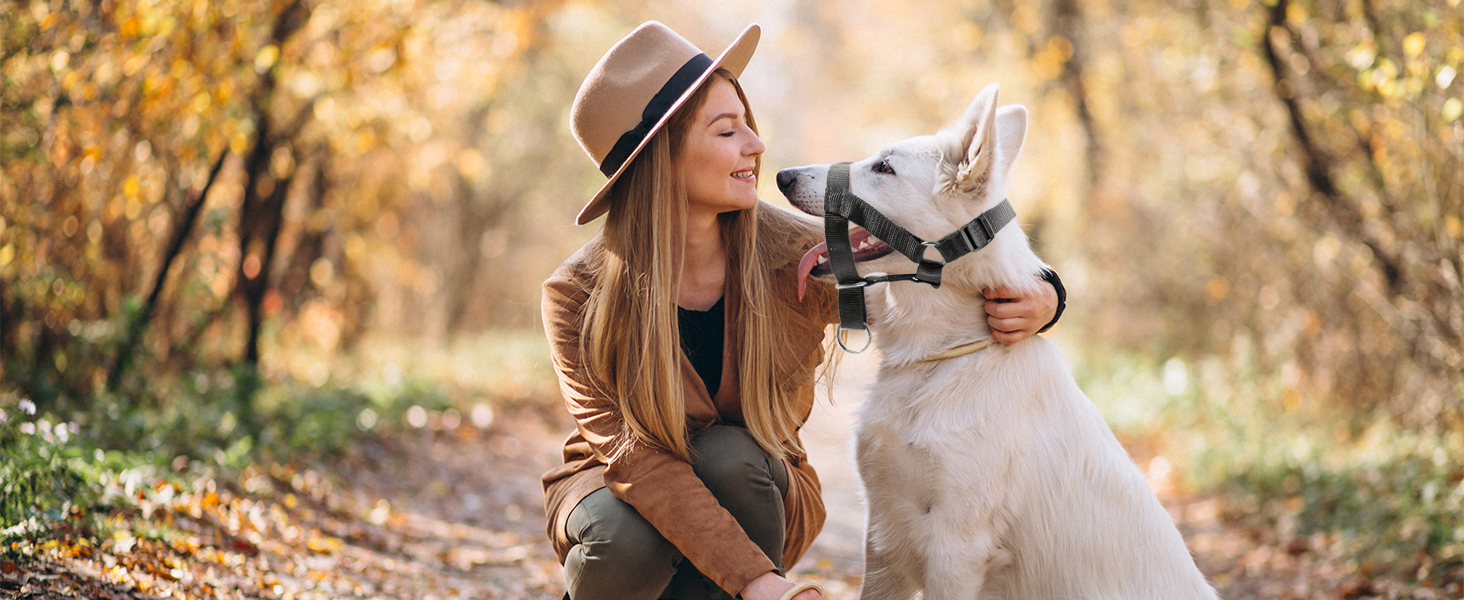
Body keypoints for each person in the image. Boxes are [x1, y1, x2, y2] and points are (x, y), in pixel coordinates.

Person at [540, 21, 1062, 600]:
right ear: (663, 158)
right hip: (619, 490)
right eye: (727, 131)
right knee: (622, 538)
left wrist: (1044, 291)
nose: (756, 146)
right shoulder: (577, 296)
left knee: (731, 457)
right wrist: (760, 582)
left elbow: (933, 259)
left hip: (757, 486)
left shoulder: (796, 252)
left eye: (749, 123)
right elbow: (635, 460)